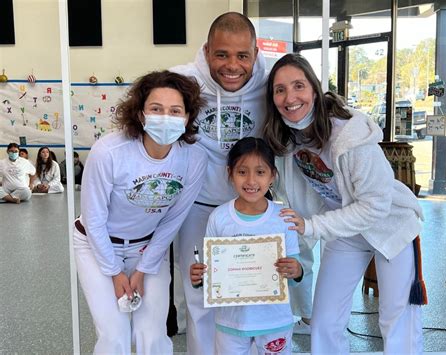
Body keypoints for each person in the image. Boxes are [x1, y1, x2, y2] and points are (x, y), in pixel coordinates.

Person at [263, 53, 425, 354]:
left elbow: (375, 205)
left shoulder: (349, 135)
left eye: (298, 86)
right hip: (346, 229)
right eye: (280, 89)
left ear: (314, 89)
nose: (290, 97)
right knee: (324, 321)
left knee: (395, 318)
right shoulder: (286, 139)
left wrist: (312, 226)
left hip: (390, 226)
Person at [73, 70, 207, 354]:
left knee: (152, 334)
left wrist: (145, 267)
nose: (166, 117)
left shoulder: (193, 158)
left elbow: (173, 219)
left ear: (187, 117)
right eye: (156, 109)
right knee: (115, 335)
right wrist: (114, 272)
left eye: (175, 110)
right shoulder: (109, 152)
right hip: (97, 245)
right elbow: (94, 219)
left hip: (148, 248)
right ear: (141, 114)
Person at [171, 11, 267, 354]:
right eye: (222, 54)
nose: (232, 65)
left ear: (255, 54)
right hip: (197, 209)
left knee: (252, 297)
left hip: (252, 207)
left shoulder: (270, 81)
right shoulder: (182, 80)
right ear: (207, 49)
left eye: (242, 55)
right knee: (199, 298)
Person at [190, 137, 302, 355]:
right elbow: (212, 272)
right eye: (242, 172)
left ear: (272, 176)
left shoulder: (283, 218)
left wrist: (296, 271)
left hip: (275, 321)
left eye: (260, 172)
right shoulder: (219, 217)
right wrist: (199, 278)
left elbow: (296, 272)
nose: (251, 181)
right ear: (230, 173)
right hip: (231, 323)